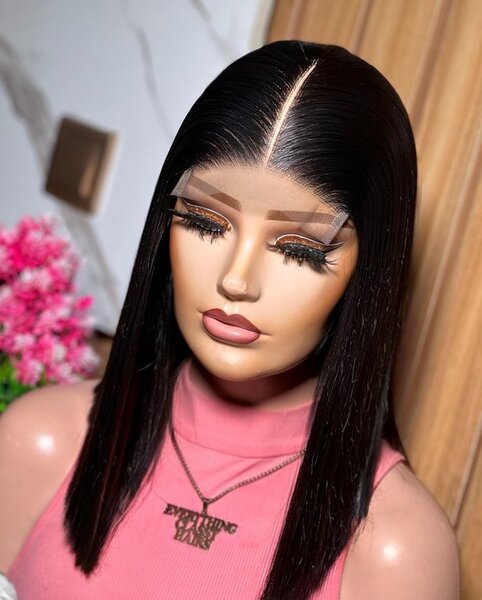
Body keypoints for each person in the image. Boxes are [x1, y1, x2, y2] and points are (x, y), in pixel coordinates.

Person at [0, 41, 459, 599]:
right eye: (205, 222)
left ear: (370, 274)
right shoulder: (41, 443)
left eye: (299, 249)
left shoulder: (396, 551)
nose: (236, 280)